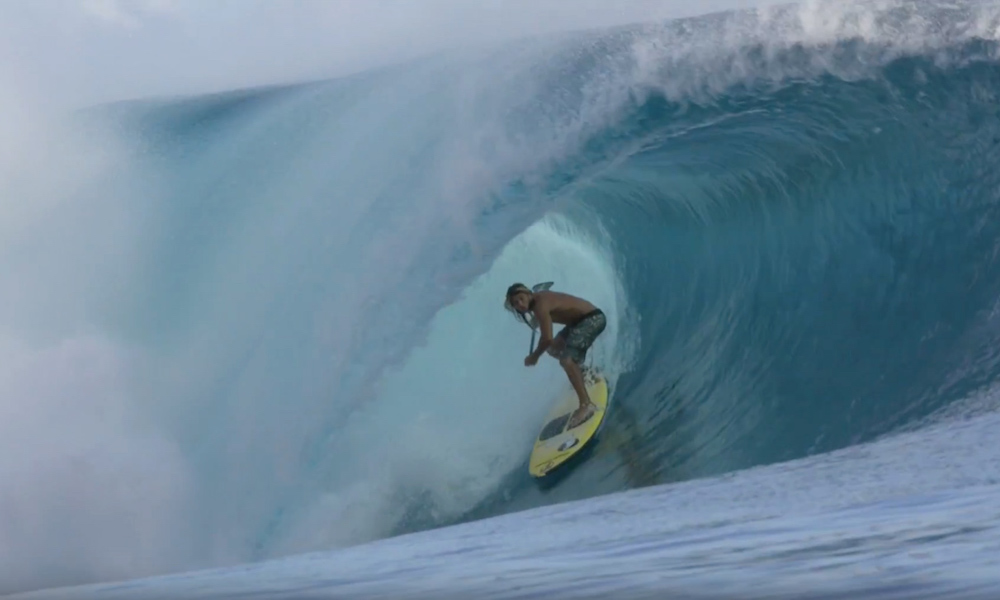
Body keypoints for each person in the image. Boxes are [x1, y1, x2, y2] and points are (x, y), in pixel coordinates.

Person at [504, 283, 607, 428]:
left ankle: (586, 405)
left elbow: (547, 338)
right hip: (577, 323)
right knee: (553, 349)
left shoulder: (540, 305)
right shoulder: (537, 300)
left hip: (592, 319)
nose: (520, 304)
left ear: (528, 294)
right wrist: (537, 320)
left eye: (521, 299)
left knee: (566, 360)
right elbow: (550, 327)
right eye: (515, 303)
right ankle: (584, 373)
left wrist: (534, 356)